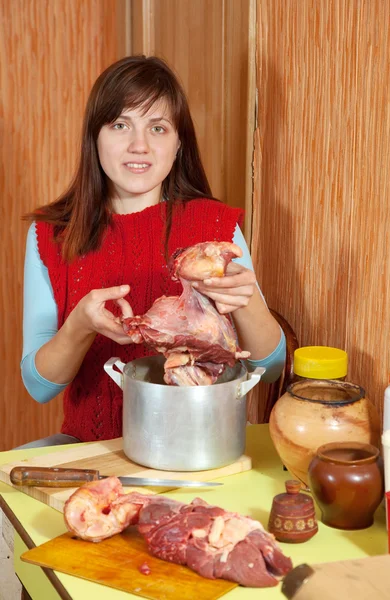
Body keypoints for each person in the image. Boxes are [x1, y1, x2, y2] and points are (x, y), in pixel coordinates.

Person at [19, 55, 286, 448]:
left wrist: (245, 303)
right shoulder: (53, 233)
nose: (138, 145)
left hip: (203, 444)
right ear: (95, 137)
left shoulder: (215, 227)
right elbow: (38, 385)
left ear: (179, 144)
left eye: (157, 128)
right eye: (120, 125)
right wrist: (80, 326)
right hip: (94, 447)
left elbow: (271, 366)